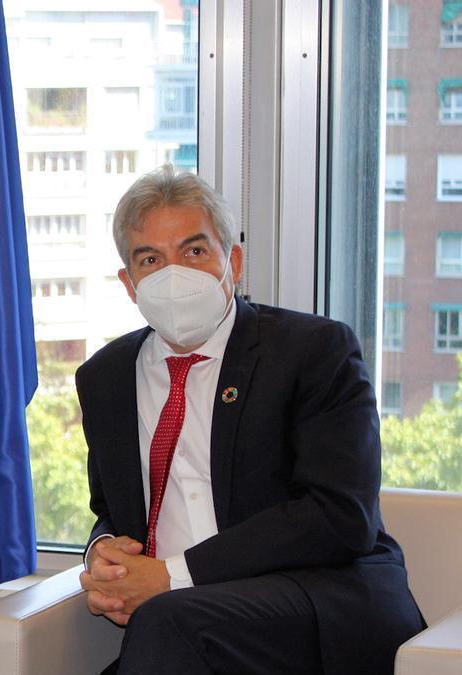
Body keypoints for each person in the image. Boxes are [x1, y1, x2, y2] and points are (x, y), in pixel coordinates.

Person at [76, 165, 424, 674]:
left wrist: (173, 576)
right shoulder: (104, 378)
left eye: (194, 251)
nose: (176, 275)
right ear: (129, 284)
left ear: (231, 262)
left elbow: (340, 517)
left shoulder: (313, 350)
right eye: (151, 259)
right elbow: (112, 508)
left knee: (170, 622)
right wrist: (101, 553)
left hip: (319, 601)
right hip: (183, 634)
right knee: (170, 628)